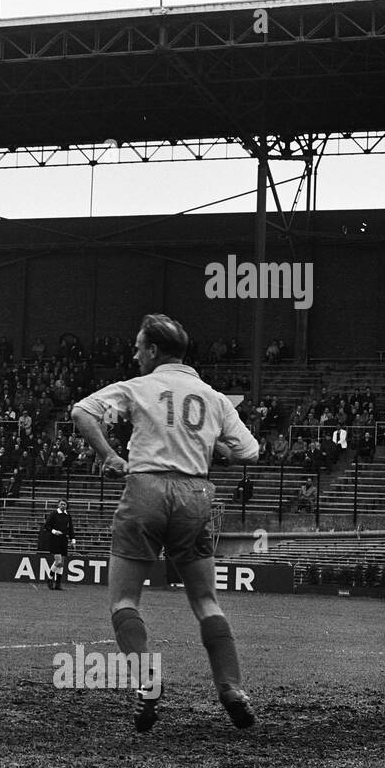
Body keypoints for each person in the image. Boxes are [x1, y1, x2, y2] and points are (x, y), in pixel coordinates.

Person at [71, 314, 259, 732]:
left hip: (146, 490)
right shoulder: (214, 397)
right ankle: (231, 689)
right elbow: (250, 452)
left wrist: (110, 456)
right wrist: (217, 450)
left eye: (139, 347)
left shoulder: (138, 387)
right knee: (206, 600)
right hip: (195, 494)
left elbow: (82, 412)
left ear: (154, 350)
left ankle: (146, 681)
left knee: (124, 599)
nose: (135, 354)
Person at [42, 499, 75, 590]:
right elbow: (46, 526)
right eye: (61, 504)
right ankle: (50, 579)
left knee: (61, 563)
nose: (63, 506)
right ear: (58, 505)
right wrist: (54, 531)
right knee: (58, 561)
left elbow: (71, 528)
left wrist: (73, 540)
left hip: (64, 540)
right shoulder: (53, 514)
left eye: (64, 504)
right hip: (54, 539)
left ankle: (58, 584)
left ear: (67, 506)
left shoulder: (68, 516)